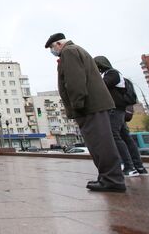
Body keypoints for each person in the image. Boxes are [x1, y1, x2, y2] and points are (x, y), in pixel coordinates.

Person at [45, 33, 126, 192]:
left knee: (100, 144)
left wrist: (77, 104)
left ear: (58, 44)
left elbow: (74, 80)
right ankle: (108, 177)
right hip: (93, 105)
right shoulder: (76, 50)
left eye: (51, 48)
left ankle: (112, 179)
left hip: (89, 106)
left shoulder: (69, 52)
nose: (52, 52)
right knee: (101, 143)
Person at [94, 56, 148, 177]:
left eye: (96, 65)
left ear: (100, 64)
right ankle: (139, 167)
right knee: (125, 137)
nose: (95, 68)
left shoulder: (112, 74)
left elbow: (101, 86)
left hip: (116, 110)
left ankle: (129, 167)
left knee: (115, 136)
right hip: (118, 110)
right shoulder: (111, 74)